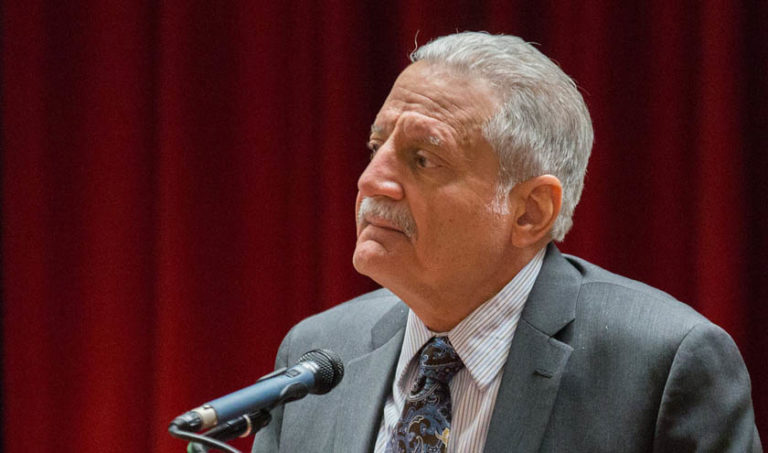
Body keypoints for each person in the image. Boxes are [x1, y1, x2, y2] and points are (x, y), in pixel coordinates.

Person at [251, 32, 761, 452]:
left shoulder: (660, 365)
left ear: (530, 211)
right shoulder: (318, 354)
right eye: (376, 146)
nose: (370, 181)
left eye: (423, 159)